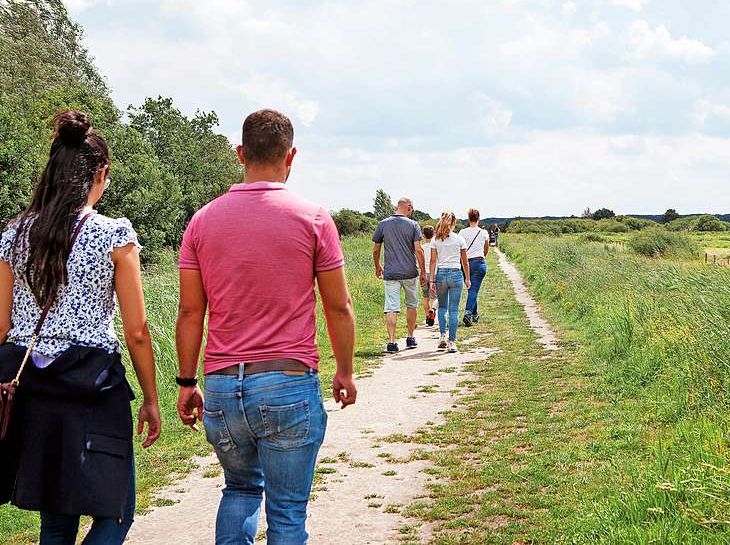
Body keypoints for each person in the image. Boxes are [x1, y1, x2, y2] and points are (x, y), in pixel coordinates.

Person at [175, 109, 357, 545]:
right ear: (291, 155)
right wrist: (345, 371)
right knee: (287, 513)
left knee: (238, 489)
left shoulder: (202, 220)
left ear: (240, 153)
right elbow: (338, 306)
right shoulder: (312, 218)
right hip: (287, 383)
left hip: (221, 387)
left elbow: (189, 312)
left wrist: (186, 381)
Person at [0, 110, 161, 545]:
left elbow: (1, 325)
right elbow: (138, 331)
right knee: (117, 512)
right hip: (93, 387)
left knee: (56, 521)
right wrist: (150, 398)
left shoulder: (14, 234)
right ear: (101, 174)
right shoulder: (114, 235)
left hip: (32, 385)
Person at [372, 198, 425, 353]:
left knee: (391, 307)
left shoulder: (383, 224)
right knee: (411, 304)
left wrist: (377, 266)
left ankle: (392, 342)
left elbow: (376, 250)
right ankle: (410, 337)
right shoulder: (413, 225)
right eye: (412, 208)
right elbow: (419, 250)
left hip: (391, 274)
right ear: (409, 207)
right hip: (410, 273)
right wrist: (423, 271)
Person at [427, 211, 470, 353]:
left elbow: (433, 261)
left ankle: (442, 336)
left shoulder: (435, 240)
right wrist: (467, 278)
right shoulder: (459, 239)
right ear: (454, 223)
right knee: (453, 310)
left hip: (441, 274)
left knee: (443, 307)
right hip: (456, 274)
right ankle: (452, 342)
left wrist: (432, 280)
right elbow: (465, 262)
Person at [459, 209, 490, 326]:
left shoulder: (462, 232)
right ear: (479, 218)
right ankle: (468, 313)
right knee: (473, 289)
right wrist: (482, 257)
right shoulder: (483, 232)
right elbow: (486, 248)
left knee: (471, 289)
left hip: (465, 263)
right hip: (479, 262)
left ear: (468, 218)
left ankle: (474, 314)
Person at [420, 225, 437, 327]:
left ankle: (427, 317)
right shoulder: (435, 247)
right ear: (434, 233)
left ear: (423, 235)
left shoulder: (421, 248)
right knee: (435, 297)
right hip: (433, 273)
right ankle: (433, 311)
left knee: (425, 296)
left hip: (423, 273)